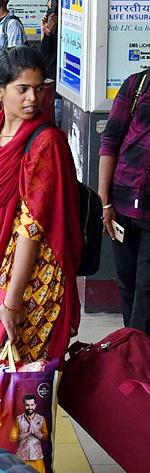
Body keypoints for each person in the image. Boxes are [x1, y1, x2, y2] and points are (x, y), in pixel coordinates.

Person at [0, 47, 82, 363]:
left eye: (38, 89)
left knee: (14, 373)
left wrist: (12, 303)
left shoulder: (45, 143)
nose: (32, 98)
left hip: (27, 272)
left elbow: (31, 228)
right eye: (22, 89)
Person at [99, 68, 150, 334]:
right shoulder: (137, 85)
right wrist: (105, 201)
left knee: (146, 290)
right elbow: (110, 140)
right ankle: (132, 349)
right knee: (127, 283)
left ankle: (139, 358)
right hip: (124, 201)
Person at [15, 394, 48, 473]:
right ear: (23, 405)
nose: (30, 407)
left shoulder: (41, 419)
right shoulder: (19, 419)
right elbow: (15, 437)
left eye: (32, 405)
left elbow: (45, 437)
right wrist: (27, 433)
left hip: (37, 458)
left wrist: (35, 433)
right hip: (22, 457)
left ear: (35, 405)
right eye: (27, 405)